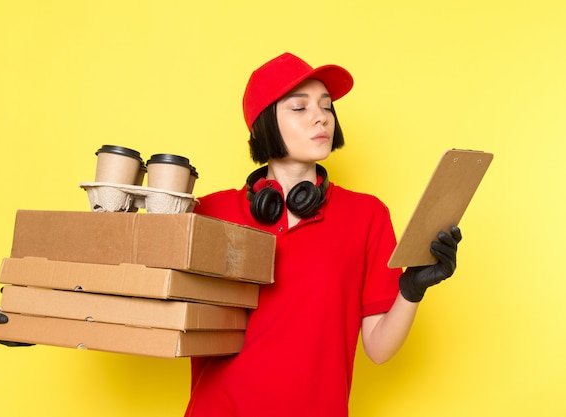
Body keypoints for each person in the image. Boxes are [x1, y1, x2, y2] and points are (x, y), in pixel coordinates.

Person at [184, 52, 462, 416]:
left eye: (327, 107)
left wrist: (411, 291)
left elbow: (378, 350)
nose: (321, 117)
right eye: (299, 108)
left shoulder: (366, 216)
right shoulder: (209, 212)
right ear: (263, 126)